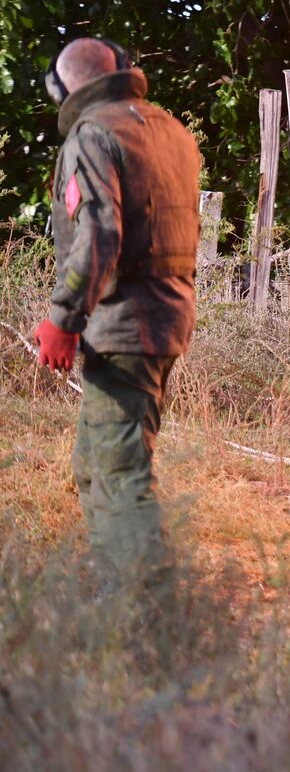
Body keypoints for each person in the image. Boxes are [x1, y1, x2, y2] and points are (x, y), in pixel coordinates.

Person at [32, 37, 201, 594]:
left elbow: (100, 233)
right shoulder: (168, 129)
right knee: (94, 460)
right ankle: (118, 589)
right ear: (124, 68)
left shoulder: (93, 133)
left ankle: (148, 611)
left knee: (120, 472)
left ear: (63, 90)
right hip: (167, 315)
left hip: (125, 323)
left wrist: (64, 318)